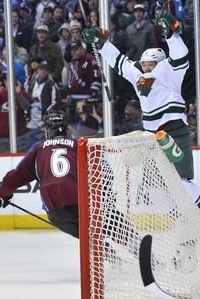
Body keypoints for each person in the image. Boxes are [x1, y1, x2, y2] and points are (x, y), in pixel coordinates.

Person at [83, 8, 200, 204]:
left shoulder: (169, 70)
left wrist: (169, 33)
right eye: (144, 64)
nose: (146, 68)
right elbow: (118, 62)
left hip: (174, 129)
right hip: (153, 135)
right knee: (161, 182)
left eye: (150, 64)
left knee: (181, 178)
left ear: (160, 63)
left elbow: (181, 54)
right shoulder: (138, 73)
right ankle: (184, 217)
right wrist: (101, 43)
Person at [0, 113, 79, 239]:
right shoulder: (80, 145)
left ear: (47, 132)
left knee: (90, 240)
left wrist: (2, 193)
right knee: (103, 234)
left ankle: (103, 251)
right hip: (82, 202)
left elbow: (17, 175)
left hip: (56, 209)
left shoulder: (38, 148)